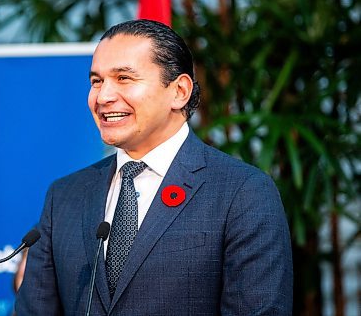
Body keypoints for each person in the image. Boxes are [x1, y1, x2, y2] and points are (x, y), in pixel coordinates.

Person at [15, 19, 293, 315]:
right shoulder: (65, 196)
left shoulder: (242, 193)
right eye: (96, 81)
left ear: (179, 91)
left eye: (123, 78)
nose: (103, 96)